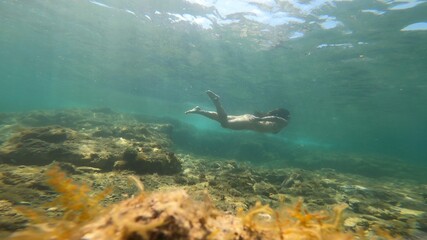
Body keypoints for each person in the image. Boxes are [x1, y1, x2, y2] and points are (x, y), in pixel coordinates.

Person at [185, 90, 290, 134]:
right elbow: (275, 118)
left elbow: (274, 118)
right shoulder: (284, 123)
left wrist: (260, 118)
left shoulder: (278, 124)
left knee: (219, 118)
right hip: (249, 122)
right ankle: (216, 101)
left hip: (249, 120)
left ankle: (199, 111)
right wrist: (260, 119)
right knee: (225, 124)